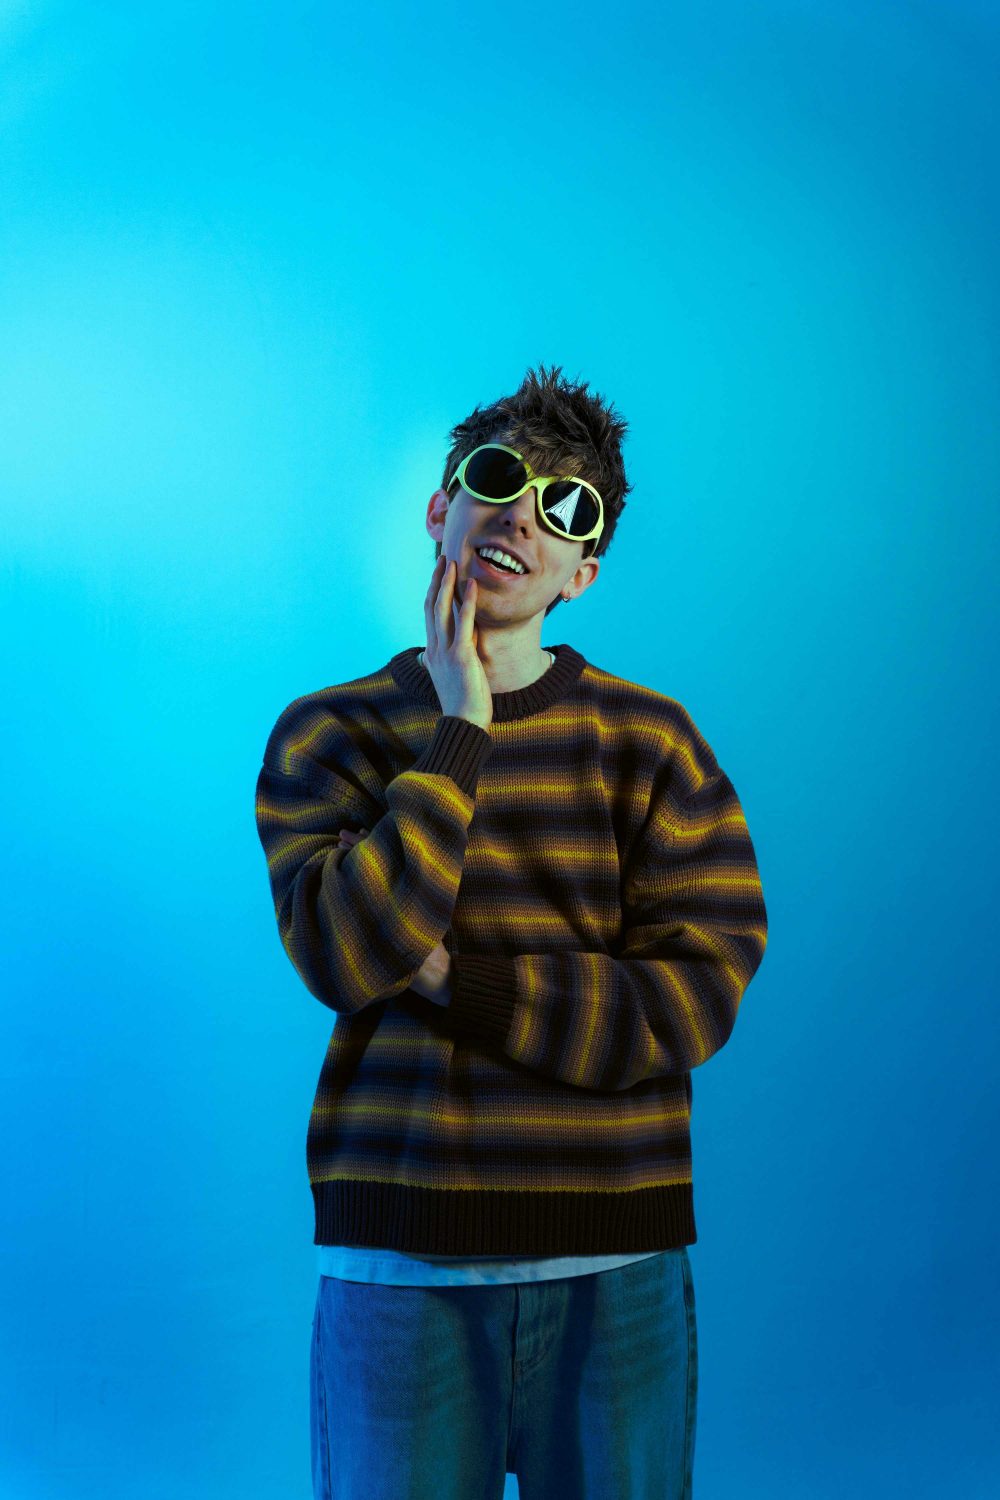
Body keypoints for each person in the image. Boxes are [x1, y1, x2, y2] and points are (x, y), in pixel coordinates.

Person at [254, 362, 769, 1499]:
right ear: (441, 507)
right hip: (400, 1265)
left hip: (618, 1265)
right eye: (497, 480)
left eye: (563, 507)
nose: (520, 517)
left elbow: (692, 999)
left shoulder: (652, 743)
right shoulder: (327, 734)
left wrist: (460, 983)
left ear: (584, 571)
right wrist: (461, 734)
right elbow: (347, 958)